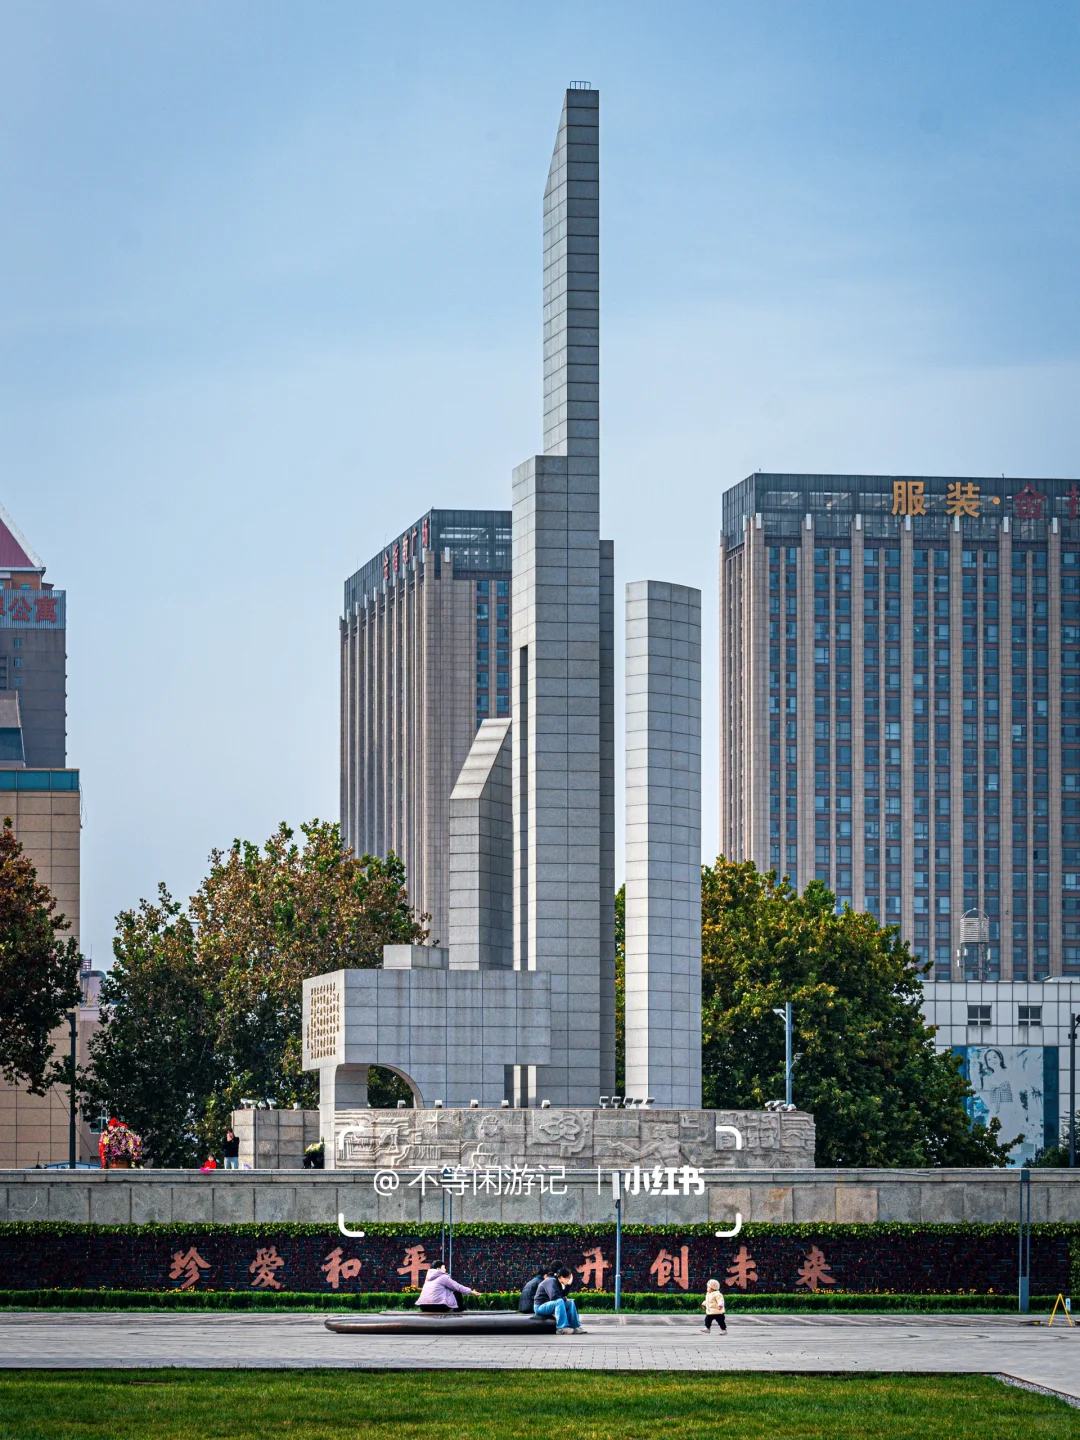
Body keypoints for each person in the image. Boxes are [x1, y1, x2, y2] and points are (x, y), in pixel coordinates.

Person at [534, 1264, 587, 1334]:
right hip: (540, 1307)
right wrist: (564, 1299)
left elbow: (563, 1295)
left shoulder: (557, 1282)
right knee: (559, 1301)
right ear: (562, 1277)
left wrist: (568, 1285)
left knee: (570, 1303)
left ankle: (575, 1327)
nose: (569, 1280)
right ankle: (561, 1328)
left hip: (549, 1304)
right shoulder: (551, 1281)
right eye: (568, 1278)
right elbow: (553, 1297)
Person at [414, 1264, 482, 1314]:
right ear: (438, 1269)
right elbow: (457, 1287)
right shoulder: (444, 1277)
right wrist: (471, 1292)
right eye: (444, 1268)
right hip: (438, 1306)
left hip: (423, 1306)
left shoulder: (428, 1278)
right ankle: (459, 1310)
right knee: (457, 1292)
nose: (445, 1270)